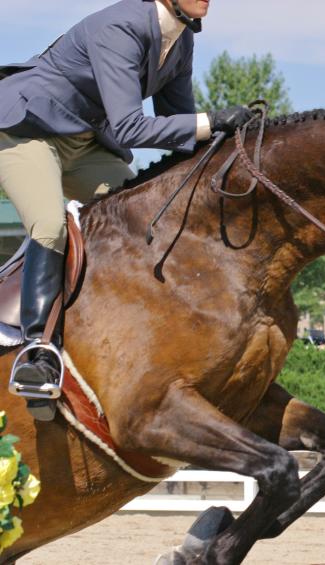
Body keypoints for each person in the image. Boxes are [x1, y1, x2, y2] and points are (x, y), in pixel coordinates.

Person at [0, 0, 254, 420]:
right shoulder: (120, 27)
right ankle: (37, 352)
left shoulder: (181, 39)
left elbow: (179, 128)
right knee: (49, 223)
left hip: (84, 143)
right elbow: (130, 127)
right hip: (24, 129)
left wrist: (228, 138)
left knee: (143, 212)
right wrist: (211, 120)